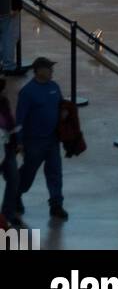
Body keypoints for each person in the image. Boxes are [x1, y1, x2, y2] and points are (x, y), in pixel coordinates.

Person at [16, 56, 67, 220]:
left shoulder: (55, 87)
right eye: (49, 68)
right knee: (28, 173)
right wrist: (19, 142)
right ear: (38, 71)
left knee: (55, 172)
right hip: (34, 141)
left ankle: (56, 204)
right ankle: (16, 193)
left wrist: (64, 115)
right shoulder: (27, 92)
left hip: (52, 139)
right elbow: (20, 119)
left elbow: (60, 106)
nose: (52, 71)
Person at [0, 77, 22, 226]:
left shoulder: (3, 102)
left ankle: (7, 214)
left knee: (14, 179)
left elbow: (10, 121)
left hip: (6, 148)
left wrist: (16, 141)